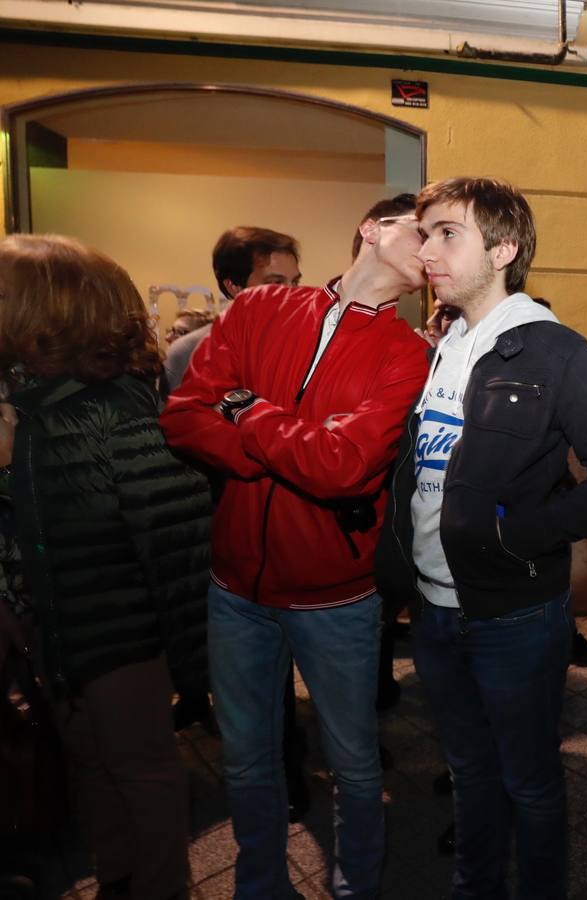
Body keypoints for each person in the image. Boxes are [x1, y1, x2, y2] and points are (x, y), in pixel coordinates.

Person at [375, 176, 587, 900]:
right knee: (468, 771)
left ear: (503, 249)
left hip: (515, 614)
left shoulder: (553, 353)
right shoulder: (445, 347)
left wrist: (515, 535)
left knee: (528, 780)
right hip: (434, 613)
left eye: (446, 233)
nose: (426, 249)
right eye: (424, 232)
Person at [161, 197, 431, 899]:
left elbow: (343, 466)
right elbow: (184, 418)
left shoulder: (408, 354)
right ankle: (260, 886)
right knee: (248, 763)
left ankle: (358, 885)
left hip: (335, 595)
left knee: (354, 763)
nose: (430, 248)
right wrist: (280, 452)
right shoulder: (256, 311)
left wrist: (246, 409)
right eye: (419, 230)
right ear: (371, 230)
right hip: (235, 590)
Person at [0, 234, 212, 900]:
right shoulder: (37, 405)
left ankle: (157, 888)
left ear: (50, 311)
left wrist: (195, 666)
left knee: (142, 769)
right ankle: (118, 877)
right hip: (65, 628)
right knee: (92, 761)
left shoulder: (112, 409)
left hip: (125, 634)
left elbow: (176, 542)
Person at [161, 226, 301, 394]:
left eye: (294, 282)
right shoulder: (187, 353)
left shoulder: (307, 347)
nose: (291, 294)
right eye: (275, 283)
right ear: (234, 286)